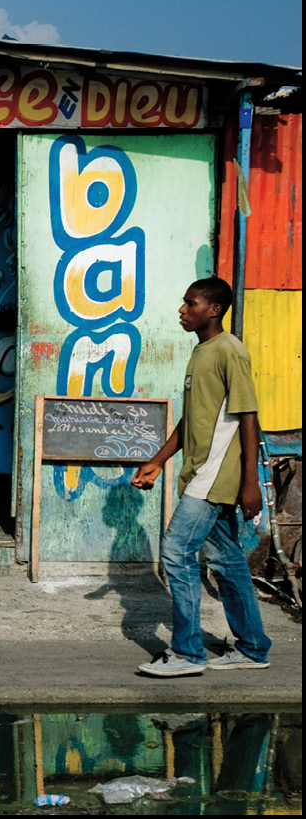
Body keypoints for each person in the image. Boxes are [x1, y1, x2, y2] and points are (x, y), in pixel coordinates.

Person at [130, 276, 272, 677]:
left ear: (213, 309)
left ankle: (188, 654)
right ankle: (254, 648)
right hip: (199, 472)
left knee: (176, 551)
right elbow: (192, 418)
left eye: (190, 303)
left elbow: (249, 418)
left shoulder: (230, 352)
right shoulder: (201, 352)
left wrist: (250, 483)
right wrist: (158, 460)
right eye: (183, 302)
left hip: (214, 475)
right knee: (227, 560)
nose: (182, 309)